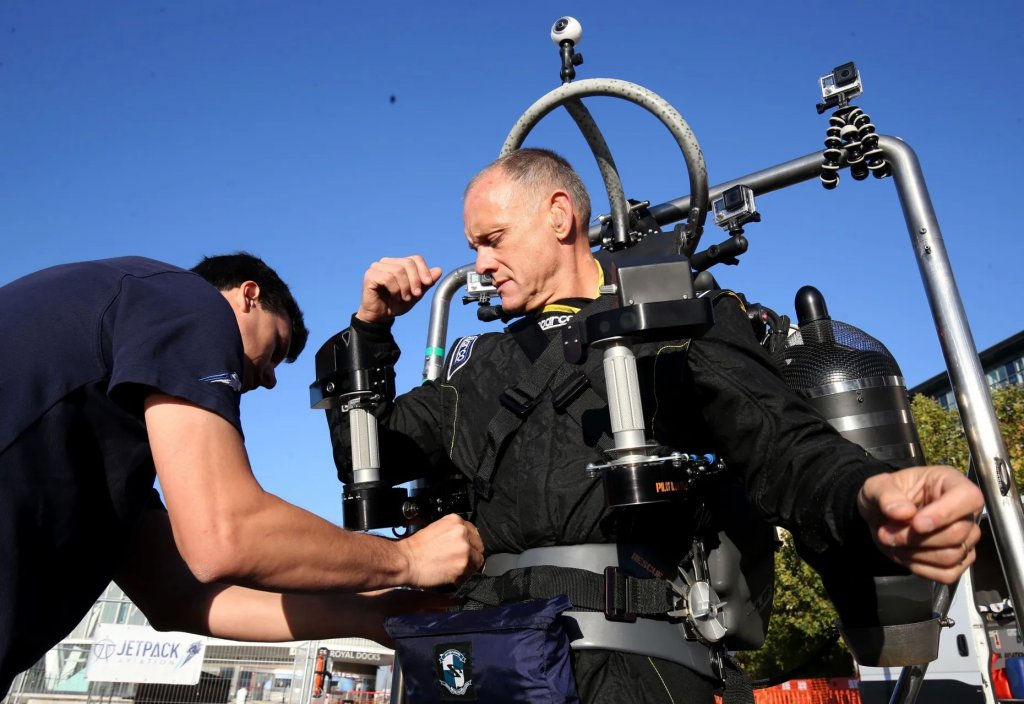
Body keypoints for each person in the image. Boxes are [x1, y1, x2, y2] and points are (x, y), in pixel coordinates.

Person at [326, 149, 984, 703]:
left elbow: (783, 447)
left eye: (492, 241)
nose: (481, 264)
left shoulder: (679, 321)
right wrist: (368, 333)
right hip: (493, 667)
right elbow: (368, 457)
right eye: (475, 248)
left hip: (639, 670)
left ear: (559, 215)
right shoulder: (480, 369)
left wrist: (867, 493)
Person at [0, 253, 484, 696]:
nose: (271, 379)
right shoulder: (187, 300)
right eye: (275, 348)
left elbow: (179, 597)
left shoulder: (110, 453)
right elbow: (224, 535)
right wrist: (408, 559)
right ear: (247, 295)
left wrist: (369, 611)